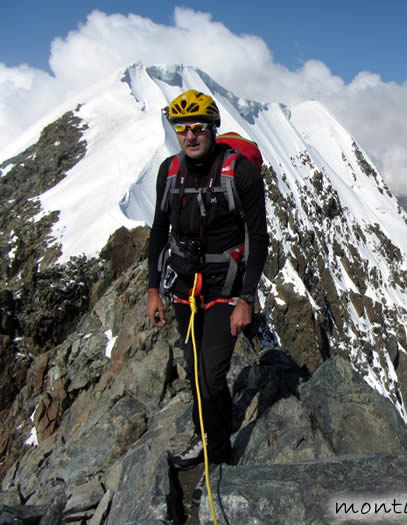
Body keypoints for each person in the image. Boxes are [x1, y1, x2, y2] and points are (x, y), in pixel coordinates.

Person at [146, 89, 269, 469]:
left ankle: (219, 460)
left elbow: (259, 237)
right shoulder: (169, 173)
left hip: (225, 291)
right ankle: (205, 436)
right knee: (194, 366)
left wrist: (246, 298)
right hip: (184, 289)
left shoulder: (240, 173)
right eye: (181, 128)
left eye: (198, 127)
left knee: (211, 375)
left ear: (213, 129)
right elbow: (158, 231)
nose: (190, 136)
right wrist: (153, 289)